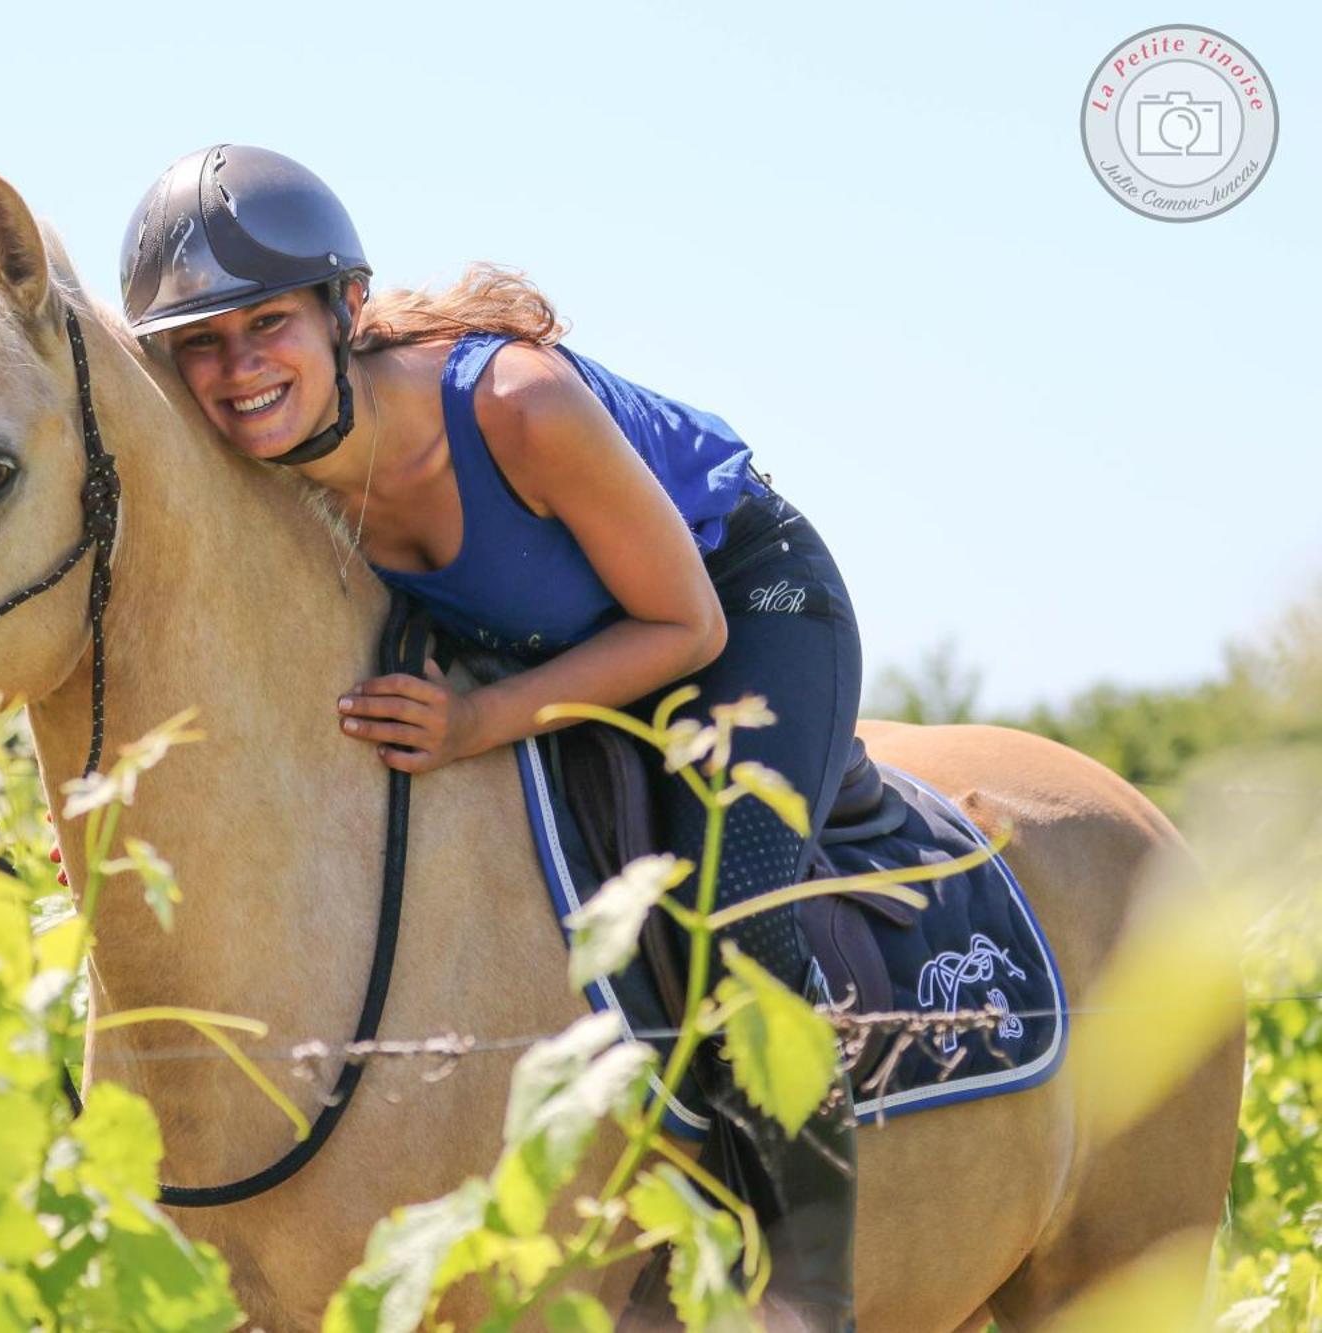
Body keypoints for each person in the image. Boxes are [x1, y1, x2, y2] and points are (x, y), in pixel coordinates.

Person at [121, 144, 862, 1328]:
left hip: (737, 609)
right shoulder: (255, 472)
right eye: (199, 343)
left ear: (341, 308)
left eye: (265, 323)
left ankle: (808, 1282)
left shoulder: (517, 403)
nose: (237, 367)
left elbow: (683, 622)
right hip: (541, 642)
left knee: (733, 898)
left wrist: (477, 720)